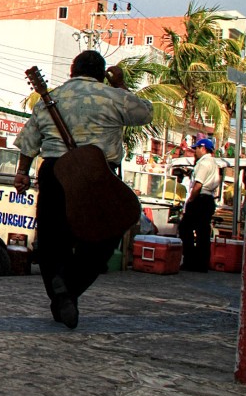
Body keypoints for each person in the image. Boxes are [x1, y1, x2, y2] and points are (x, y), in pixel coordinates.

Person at [13, 50, 153, 329]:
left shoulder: (49, 99)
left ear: (71, 71)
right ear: (102, 74)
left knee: (54, 240)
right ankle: (70, 288)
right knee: (107, 232)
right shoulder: (113, 96)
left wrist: (21, 172)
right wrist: (121, 86)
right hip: (97, 173)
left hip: (55, 171)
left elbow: (30, 140)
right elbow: (145, 113)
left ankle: (61, 294)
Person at [178, 138, 220, 272]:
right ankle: (202, 263)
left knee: (185, 228)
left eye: (196, 148)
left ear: (203, 148)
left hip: (200, 199)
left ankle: (190, 261)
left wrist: (191, 199)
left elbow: (198, 184)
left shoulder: (203, 163)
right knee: (203, 232)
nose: (194, 151)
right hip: (208, 200)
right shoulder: (213, 163)